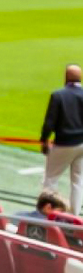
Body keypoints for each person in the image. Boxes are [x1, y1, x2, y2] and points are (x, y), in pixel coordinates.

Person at [41, 64, 83, 210]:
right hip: (81, 144)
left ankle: (47, 212)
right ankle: (75, 217)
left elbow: (49, 122)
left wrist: (44, 140)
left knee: (51, 179)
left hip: (63, 144)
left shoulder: (58, 95)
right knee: (78, 181)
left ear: (65, 77)